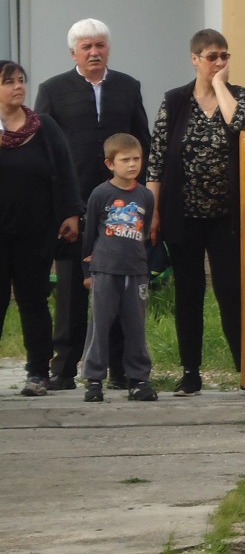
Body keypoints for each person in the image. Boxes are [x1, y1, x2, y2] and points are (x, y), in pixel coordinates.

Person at [35, 18, 150, 391]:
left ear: (108, 49)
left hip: (122, 206)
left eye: (100, 45)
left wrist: (144, 197)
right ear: (74, 53)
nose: (94, 52)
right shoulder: (53, 90)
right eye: (86, 47)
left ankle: (120, 369)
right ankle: (64, 368)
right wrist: (59, 206)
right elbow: (45, 150)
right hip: (74, 205)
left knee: (118, 284)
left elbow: (143, 142)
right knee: (71, 288)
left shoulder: (128, 88)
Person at [148, 30, 245, 396]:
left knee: (230, 291)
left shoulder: (238, 95)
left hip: (225, 217)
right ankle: (190, 371)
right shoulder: (174, 101)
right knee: (188, 293)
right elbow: (157, 159)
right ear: (194, 59)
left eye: (225, 56)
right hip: (183, 215)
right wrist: (153, 211)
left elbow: (238, 123)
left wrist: (220, 85)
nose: (220, 62)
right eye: (212, 57)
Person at [0, 60, 82, 397]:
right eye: (9, 81)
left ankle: (37, 372)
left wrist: (71, 213)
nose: (18, 86)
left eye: (21, 80)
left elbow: (64, 169)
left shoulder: (43, 126)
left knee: (33, 299)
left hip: (35, 231)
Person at [80, 133, 157, 403]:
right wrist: (87, 272)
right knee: (100, 325)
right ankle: (94, 379)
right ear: (110, 163)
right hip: (105, 270)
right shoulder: (100, 194)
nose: (132, 164)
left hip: (135, 272)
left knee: (135, 327)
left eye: (137, 159)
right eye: (125, 160)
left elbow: (144, 234)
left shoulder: (145, 195)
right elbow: (89, 234)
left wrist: (143, 266)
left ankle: (138, 379)